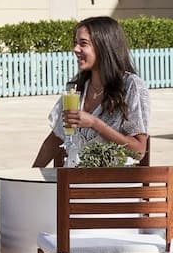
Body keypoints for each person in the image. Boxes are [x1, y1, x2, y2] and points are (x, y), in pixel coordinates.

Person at [32, 16, 150, 168]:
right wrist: (30, 175)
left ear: (104, 46)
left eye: (83, 43)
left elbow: (138, 151)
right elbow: (56, 137)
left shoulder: (131, 86)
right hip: (74, 178)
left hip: (115, 179)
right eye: (75, 43)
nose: (75, 49)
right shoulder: (76, 87)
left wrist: (95, 124)